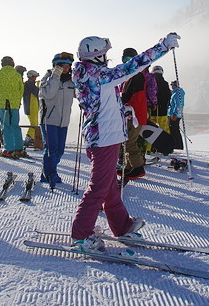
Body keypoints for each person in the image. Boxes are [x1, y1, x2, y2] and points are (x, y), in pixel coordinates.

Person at [70, 32, 179, 252]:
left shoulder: (89, 75)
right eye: (104, 54)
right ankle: (80, 235)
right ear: (96, 56)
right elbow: (134, 66)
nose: (107, 58)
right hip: (105, 140)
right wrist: (163, 46)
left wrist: (124, 110)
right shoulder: (101, 76)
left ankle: (122, 226)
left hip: (100, 136)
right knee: (99, 188)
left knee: (109, 188)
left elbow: (102, 103)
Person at [39, 52, 76, 185]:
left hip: (64, 121)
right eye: (62, 66)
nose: (65, 69)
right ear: (55, 66)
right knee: (51, 149)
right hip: (49, 120)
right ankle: (51, 173)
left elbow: (78, 94)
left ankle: (46, 172)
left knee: (60, 150)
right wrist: (56, 75)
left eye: (68, 66)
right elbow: (48, 94)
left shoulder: (71, 81)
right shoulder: (47, 79)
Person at [119, 48, 148, 180]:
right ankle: (130, 166)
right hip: (134, 114)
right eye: (125, 60)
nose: (127, 62)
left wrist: (122, 103)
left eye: (130, 60)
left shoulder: (135, 75)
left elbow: (131, 97)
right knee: (127, 141)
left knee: (130, 141)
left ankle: (137, 167)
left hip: (134, 115)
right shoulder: (133, 75)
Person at [150, 66, 171, 133]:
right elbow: (169, 96)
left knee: (151, 130)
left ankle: (149, 143)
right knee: (164, 128)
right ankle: (167, 142)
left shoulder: (150, 83)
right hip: (163, 110)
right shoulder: (165, 83)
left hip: (152, 110)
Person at [23, 70, 40, 145]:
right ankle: (29, 137)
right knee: (34, 123)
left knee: (34, 122)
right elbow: (37, 92)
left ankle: (31, 137)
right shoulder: (29, 84)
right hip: (31, 106)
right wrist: (39, 86)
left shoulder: (28, 84)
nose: (35, 78)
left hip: (33, 106)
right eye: (35, 76)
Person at [168, 80, 185, 150]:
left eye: (172, 85)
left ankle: (178, 146)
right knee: (174, 130)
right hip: (174, 114)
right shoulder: (176, 92)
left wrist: (174, 114)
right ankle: (177, 145)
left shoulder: (177, 93)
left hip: (175, 115)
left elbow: (178, 104)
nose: (171, 86)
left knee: (174, 130)